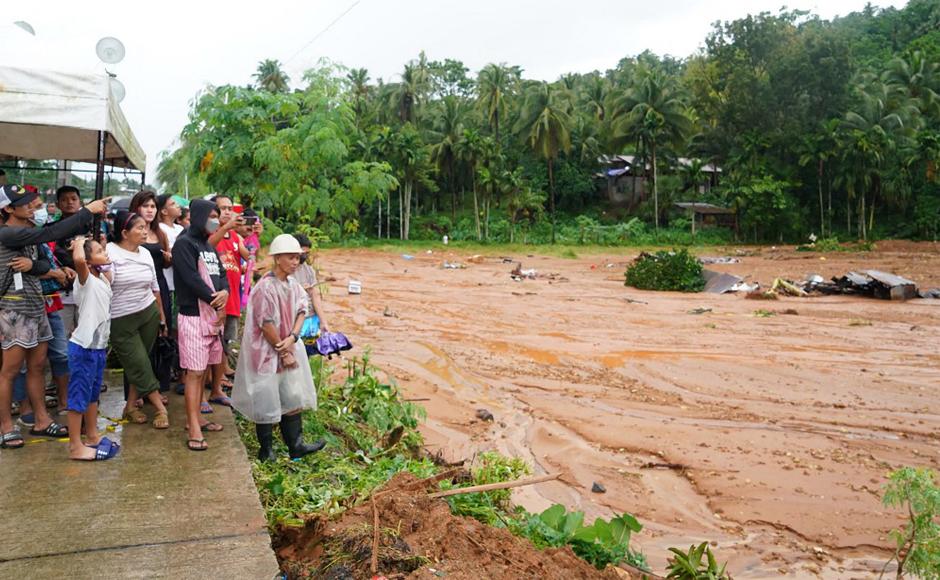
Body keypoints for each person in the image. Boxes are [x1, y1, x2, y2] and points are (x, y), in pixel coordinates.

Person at [0, 184, 109, 449]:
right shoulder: (8, 233)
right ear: (8, 209)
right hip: (13, 308)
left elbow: (43, 264)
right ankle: (5, 426)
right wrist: (87, 211)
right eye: (24, 202)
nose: (32, 205)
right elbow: (51, 232)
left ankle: (41, 419)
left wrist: (34, 266)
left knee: (37, 366)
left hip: (36, 304)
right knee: (10, 371)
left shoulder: (27, 233)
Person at [231, 234, 324, 461]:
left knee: (292, 395)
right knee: (266, 398)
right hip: (266, 352)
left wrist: (293, 337)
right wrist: (283, 351)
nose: (295, 262)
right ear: (278, 258)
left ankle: (296, 445)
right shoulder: (265, 287)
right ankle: (267, 451)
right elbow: (266, 324)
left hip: (288, 346)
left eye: (297, 258)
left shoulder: (292, 285)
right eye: (291, 258)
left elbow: (303, 309)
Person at [172, 199, 228, 451]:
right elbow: (190, 278)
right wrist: (214, 298)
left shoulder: (207, 245)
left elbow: (222, 274)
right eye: (212, 215)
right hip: (194, 315)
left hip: (213, 317)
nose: (215, 220)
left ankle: (199, 418)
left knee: (203, 369)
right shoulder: (184, 243)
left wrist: (225, 292)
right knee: (194, 373)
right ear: (198, 216)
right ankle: (192, 426)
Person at [108, 210, 169, 429]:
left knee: (139, 361)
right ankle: (160, 408)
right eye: (139, 228)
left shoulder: (144, 253)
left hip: (148, 313)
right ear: (124, 232)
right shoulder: (108, 252)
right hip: (120, 318)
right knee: (140, 363)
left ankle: (131, 406)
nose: (145, 231)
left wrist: (161, 316)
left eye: (145, 227)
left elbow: (155, 287)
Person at [64, 235, 119, 461]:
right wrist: (78, 242)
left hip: (98, 348)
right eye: (99, 251)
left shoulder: (102, 278)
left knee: (93, 394)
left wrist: (101, 245)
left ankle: (92, 435)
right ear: (87, 261)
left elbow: (103, 265)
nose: (105, 253)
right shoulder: (84, 279)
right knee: (78, 397)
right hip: (84, 348)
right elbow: (78, 260)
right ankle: (75, 445)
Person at [129, 192, 173, 396]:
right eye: (145, 206)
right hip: (136, 288)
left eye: (153, 206)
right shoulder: (129, 232)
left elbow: (165, 263)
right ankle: (135, 393)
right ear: (136, 207)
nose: (149, 210)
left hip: (160, 286)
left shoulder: (159, 232)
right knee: (137, 343)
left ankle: (158, 388)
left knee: (161, 336)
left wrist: (168, 258)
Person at [292, 234, 330, 334]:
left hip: (309, 319)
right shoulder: (284, 272)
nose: (304, 256)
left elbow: (315, 296)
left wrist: (323, 321)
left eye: (307, 253)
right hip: (292, 320)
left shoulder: (309, 270)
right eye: (302, 253)